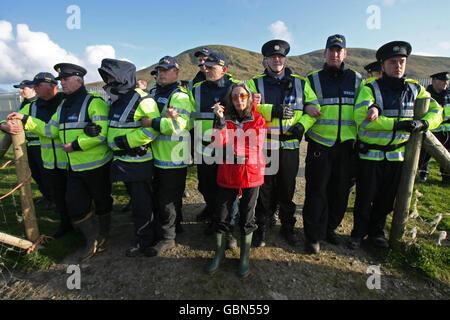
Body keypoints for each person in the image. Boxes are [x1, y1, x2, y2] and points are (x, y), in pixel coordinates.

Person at [9, 63, 113, 262]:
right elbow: (50, 130)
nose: (62, 83)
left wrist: (76, 145)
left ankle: (104, 235)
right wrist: (25, 119)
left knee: (102, 201)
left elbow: (102, 134)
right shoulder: (64, 105)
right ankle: (91, 239)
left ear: (78, 80)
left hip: (96, 165)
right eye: (61, 80)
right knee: (74, 204)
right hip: (73, 166)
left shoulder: (94, 102)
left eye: (65, 80)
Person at [350, 41, 443, 249]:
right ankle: (358, 233)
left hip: (397, 156)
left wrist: (425, 123)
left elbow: (437, 111)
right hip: (370, 155)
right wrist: (400, 125)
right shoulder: (370, 88)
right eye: (392, 62)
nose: (398, 66)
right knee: (365, 197)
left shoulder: (415, 88)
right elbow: (361, 117)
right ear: (382, 66)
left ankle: (377, 233)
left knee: (386, 198)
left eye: (401, 62)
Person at [247, 39, 320, 248]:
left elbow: (313, 109)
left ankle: (288, 227)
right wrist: (272, 111)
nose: (276, 60)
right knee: (264, 189)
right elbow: (246, 107)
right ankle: (260, 228)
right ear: (265, 61)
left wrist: (302, 126)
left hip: (290, 146)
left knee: (287, 190)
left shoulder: (301, 82)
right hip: (265, 146)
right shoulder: (255, 83)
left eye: (280, 57)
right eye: (272, 57)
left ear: (285, 60)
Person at [302, 34, 362, 254]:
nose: (335, 54)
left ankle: (330, 228)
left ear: (345, 54)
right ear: (324, 53)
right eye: (331, 50)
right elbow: (303, 103)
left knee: (340, 192)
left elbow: (365, 107)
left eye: (339, 50)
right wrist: (306, 108)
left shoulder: (356, 79)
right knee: (317, 191)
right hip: (320, 145)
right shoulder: (313, 79)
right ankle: (313, 236)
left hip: (346, 146)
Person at [98, 58, 160, 257]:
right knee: (135, 202)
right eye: (106, 76)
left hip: (138, 163)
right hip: (121, 162)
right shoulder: (114, 99)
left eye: (111, 76)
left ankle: (145, 239)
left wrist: (125, 142)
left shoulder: (144, 100)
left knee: (142, 204)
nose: (108, 81)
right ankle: (146, 233)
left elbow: (152, 132)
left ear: (123, 77)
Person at [207, 81, 266, 278]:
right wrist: (220, 121)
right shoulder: (226, 119)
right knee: (221, 215)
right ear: (230, 100)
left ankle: (244, 256)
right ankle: (218, 254)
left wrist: (230, 148)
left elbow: (255, 146)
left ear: (249, 97)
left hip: (251, 175)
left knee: (247, 218)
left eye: (242, 95)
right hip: (227, 174)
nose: (239, 100)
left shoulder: (258, 119)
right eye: (234, 96)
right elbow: (217, 142)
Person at [140, 56, 191, 256]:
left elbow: (177, 126)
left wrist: (152, 122)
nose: (161, 73)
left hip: (173, 157)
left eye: (166, 70)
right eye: (159, 70)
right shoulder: (152, 92)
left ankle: (168, 238)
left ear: (176, 73)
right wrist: (162, 120)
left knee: (167, 200)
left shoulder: (180, 97)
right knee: (165, 196)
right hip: (156, 155)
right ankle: (176, 226)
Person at [188, 51, 239, 236]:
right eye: (205, 66)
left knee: (228, 189)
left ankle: (229, 227)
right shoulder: (197, 89)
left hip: (227, 149)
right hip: (204, 150)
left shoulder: (235, 89)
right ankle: (216, 218)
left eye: (211, 67)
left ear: (223, 69)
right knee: (206, 186)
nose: (206, 69)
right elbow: (190, 117)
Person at [2, 80, 54, 209]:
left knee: (46, 175)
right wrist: (4, 125)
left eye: (23, 88)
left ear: (32, 89)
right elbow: (9, 119)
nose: (21, 91)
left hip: (42, 146)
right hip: (29, 146)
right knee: (35, 174)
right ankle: (47, 197)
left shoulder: (39, 104)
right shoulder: (25, 105)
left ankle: (53, 199)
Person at [418, 71, 449, 183]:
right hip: (431, 130)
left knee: (446, 153)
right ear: (434, 81)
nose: (446, 83)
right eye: (443, 81)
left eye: (447, 81)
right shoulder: (426, 95)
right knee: (425, 154)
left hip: (447, 132)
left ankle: (446, 175)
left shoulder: (449, 95)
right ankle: (423, 174)